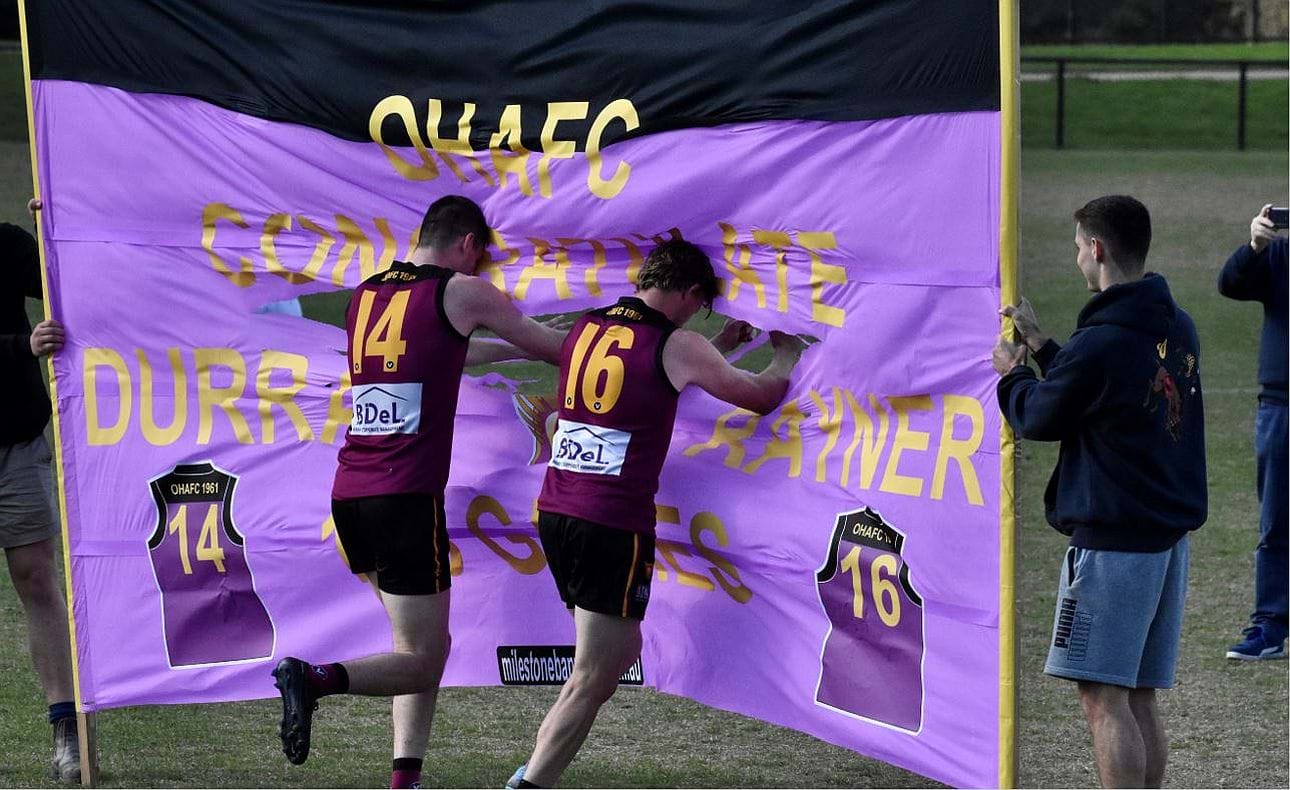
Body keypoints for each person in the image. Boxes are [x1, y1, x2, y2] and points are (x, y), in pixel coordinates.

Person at [272, 195, 565, 788]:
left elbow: (443, 354)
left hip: (351, 492)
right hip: (405, 498)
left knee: (414, 647)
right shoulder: (462, 291)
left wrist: (504, 344)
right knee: (424, 658)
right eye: (482, 258)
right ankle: (315, 678)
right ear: (468, 244)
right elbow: (556, 350)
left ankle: (405, 779)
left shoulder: (368, 295)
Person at [507, 239, 807, 789]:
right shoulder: (679, 344)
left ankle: (532, 777)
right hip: (610, 521)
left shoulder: (587, 327)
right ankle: (528, 785)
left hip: (557, 510)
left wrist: (716, 344)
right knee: (595, 672)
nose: (699, 315)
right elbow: (760, 397)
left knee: (617, 655)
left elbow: (639, 379)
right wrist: (786, 354)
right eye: (701, 306)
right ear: (691, 292)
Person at [992, 195, 1206, 788]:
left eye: (1077, 248)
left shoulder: (1101, 342)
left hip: (1113, 546)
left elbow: (1039, 416)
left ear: (1097, 248)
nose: (1077, 259)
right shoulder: (1175, 322)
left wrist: (1010, 375)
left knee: (1101, 699)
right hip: (1165, 541)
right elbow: (1106, 391)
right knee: (1137, 697)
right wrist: (1044, 346)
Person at [2, 198, 80, 783]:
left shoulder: (5, 243)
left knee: (36, 574)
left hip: (17, 438)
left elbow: (65, 289)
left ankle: (65, 726)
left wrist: (48, 229)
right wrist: (18, 348)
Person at [1218, 204, 1287, 661]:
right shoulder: (1279, 257)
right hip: (1281, 403)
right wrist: (1255, 245)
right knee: (1277, 520)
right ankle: (1270, 624)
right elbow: (1231, 284)